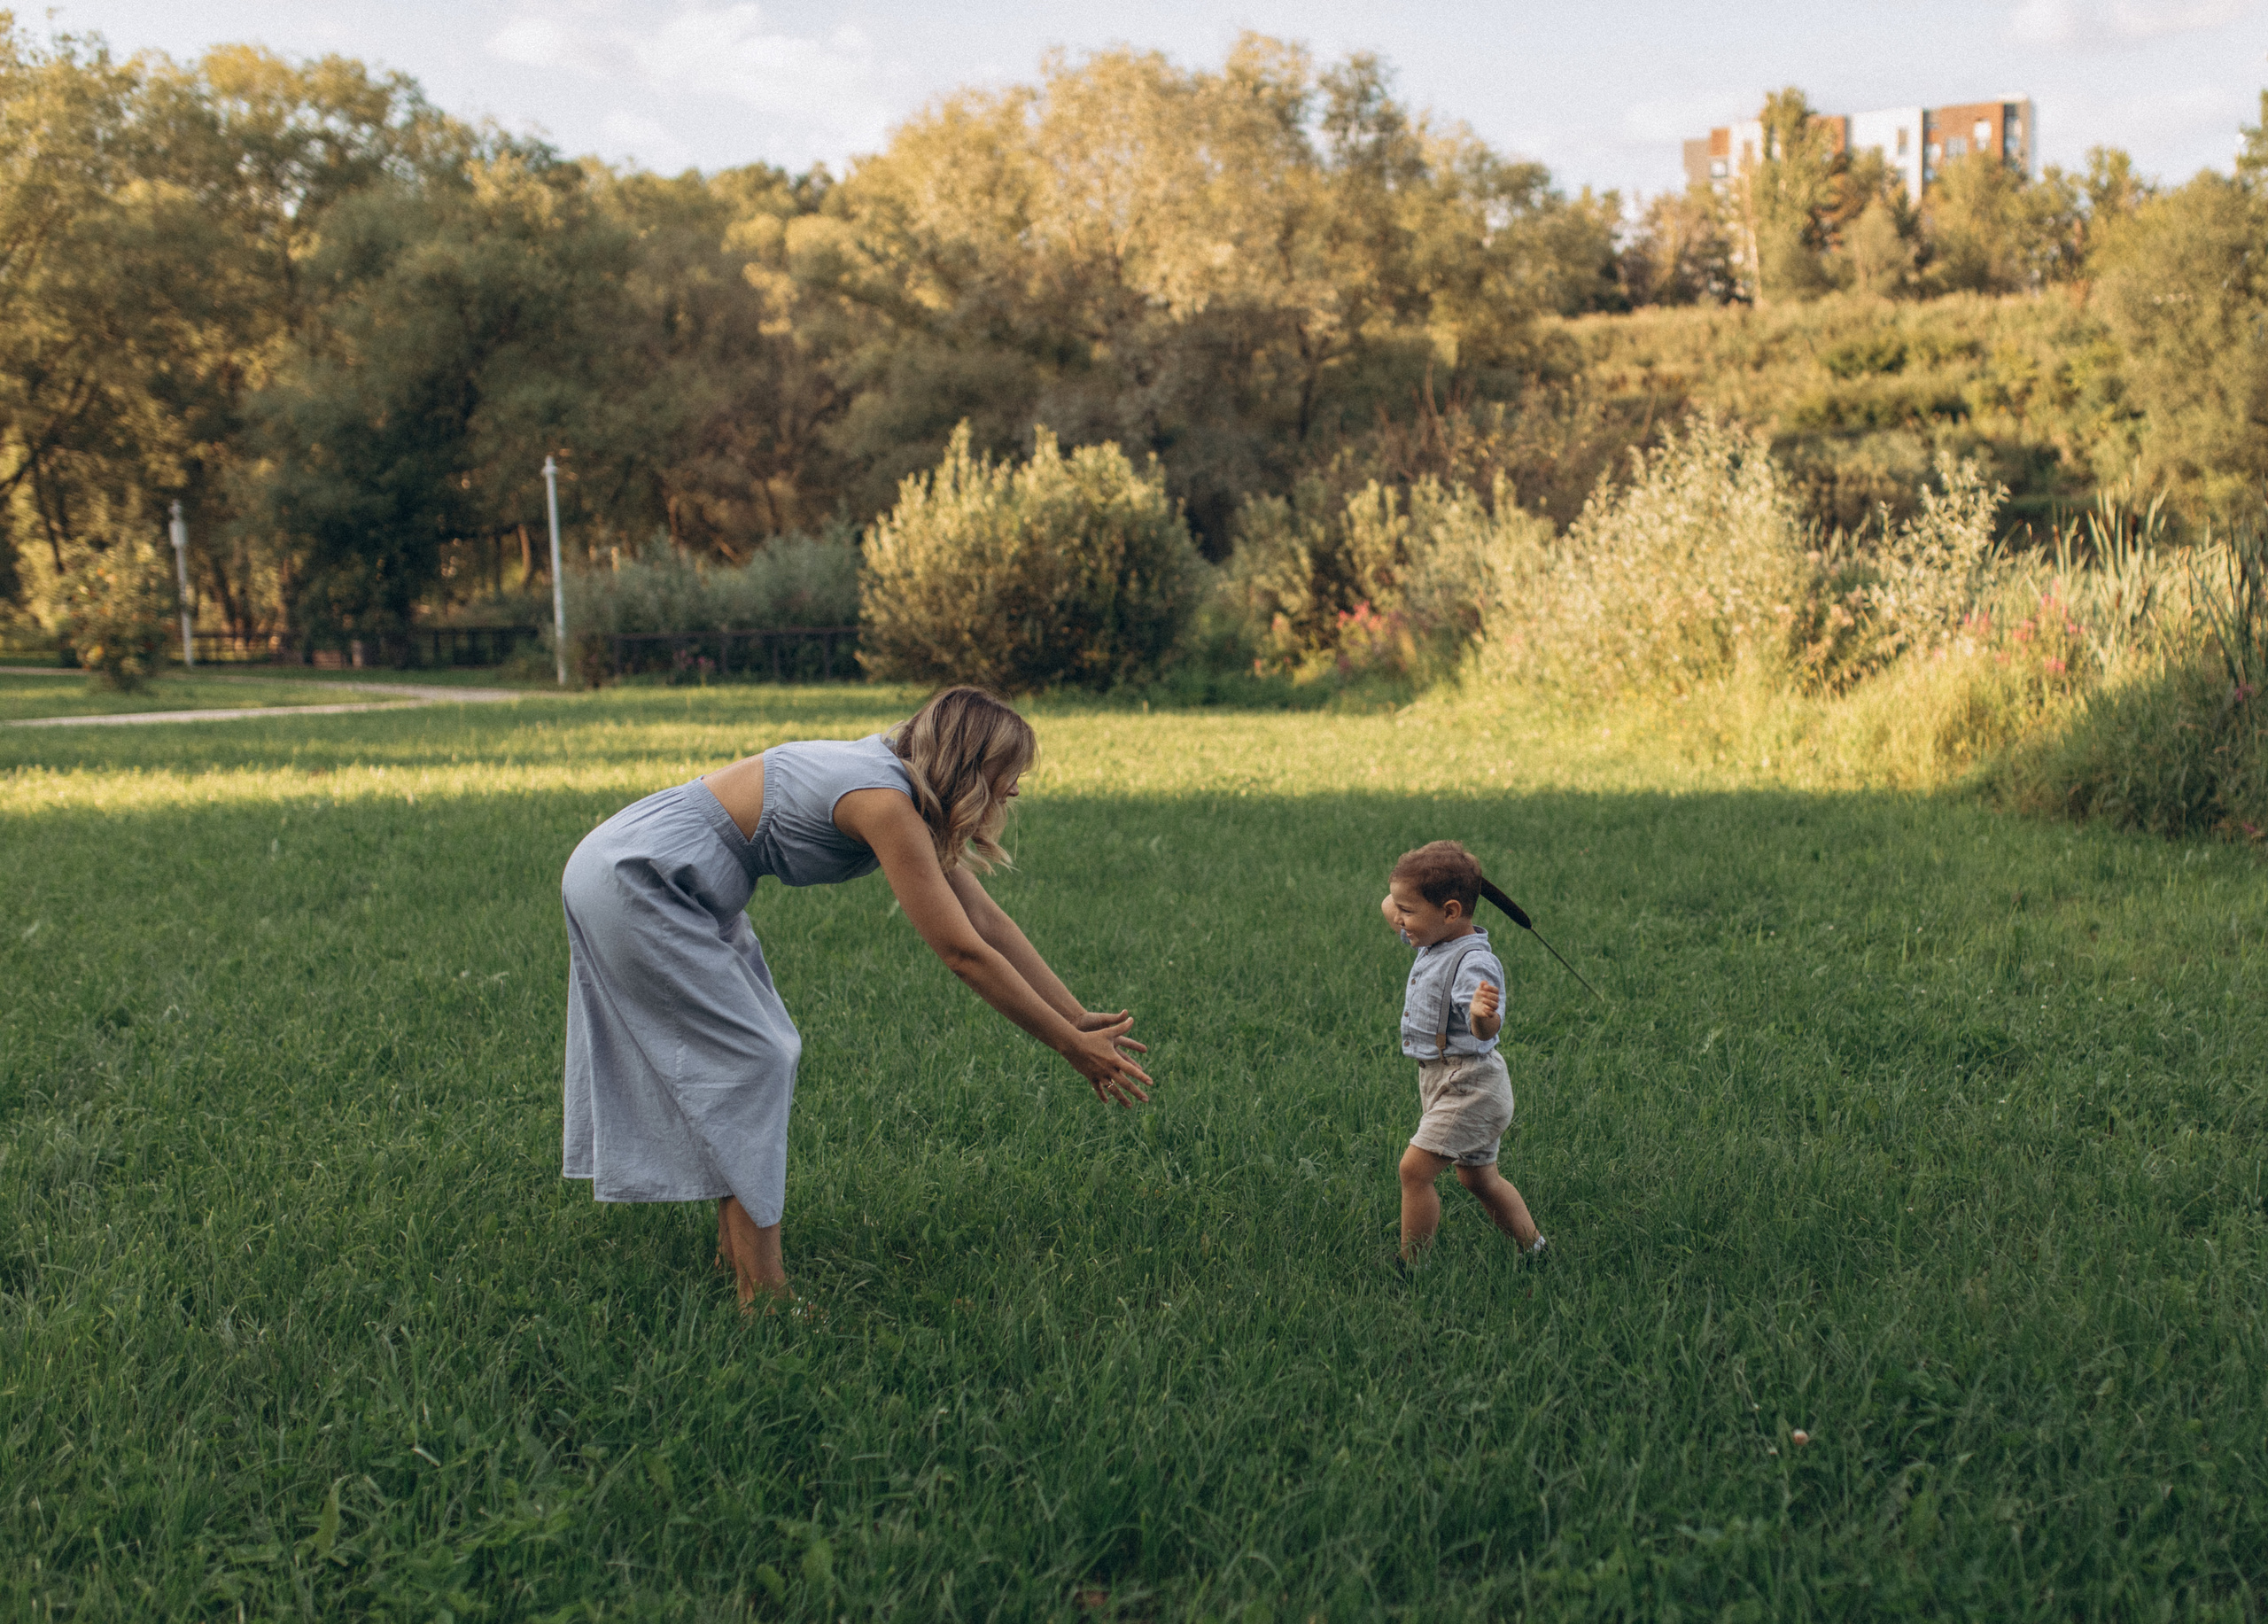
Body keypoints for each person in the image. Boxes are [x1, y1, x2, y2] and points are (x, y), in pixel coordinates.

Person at [560, 686, 1152, 1307]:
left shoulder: (903, 787)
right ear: (971, 767)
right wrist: (1068, 1046)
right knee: (757, 1058)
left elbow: (986, 921)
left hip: (683, 880)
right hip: (641, 874)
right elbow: (962, 952)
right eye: (1009, 775)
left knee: (749, 1061)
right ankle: (763, 1297)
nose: (1016, 791)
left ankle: (737, 1255)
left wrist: (1076, 1015)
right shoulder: (884, 801)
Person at [1380, 840, 1547, 1265]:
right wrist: (1429, 872)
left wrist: (1480, 1015)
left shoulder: (1473, 962)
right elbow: (1391, 905)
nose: (1398, 920)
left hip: (1469, 1084)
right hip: (1444, 1078)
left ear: (1451, 911)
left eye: (1408, 911)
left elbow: (1488, 1030)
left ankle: (1410, 1267)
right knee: (1478, 1178)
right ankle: (1536, 1252)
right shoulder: (1432, 934)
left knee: (1414, 1171)